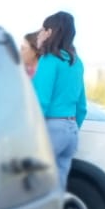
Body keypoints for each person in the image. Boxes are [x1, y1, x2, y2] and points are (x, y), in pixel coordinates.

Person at [30, 11, 87, 190]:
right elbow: (82, 106)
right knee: (56, 191)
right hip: (70, 131)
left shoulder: (49, 60)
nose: (39, 33)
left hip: (51, 129)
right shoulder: (76, 63)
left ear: (50, 31)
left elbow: (41, 102)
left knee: (31, 188)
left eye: (42, 29)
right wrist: (71, 127)